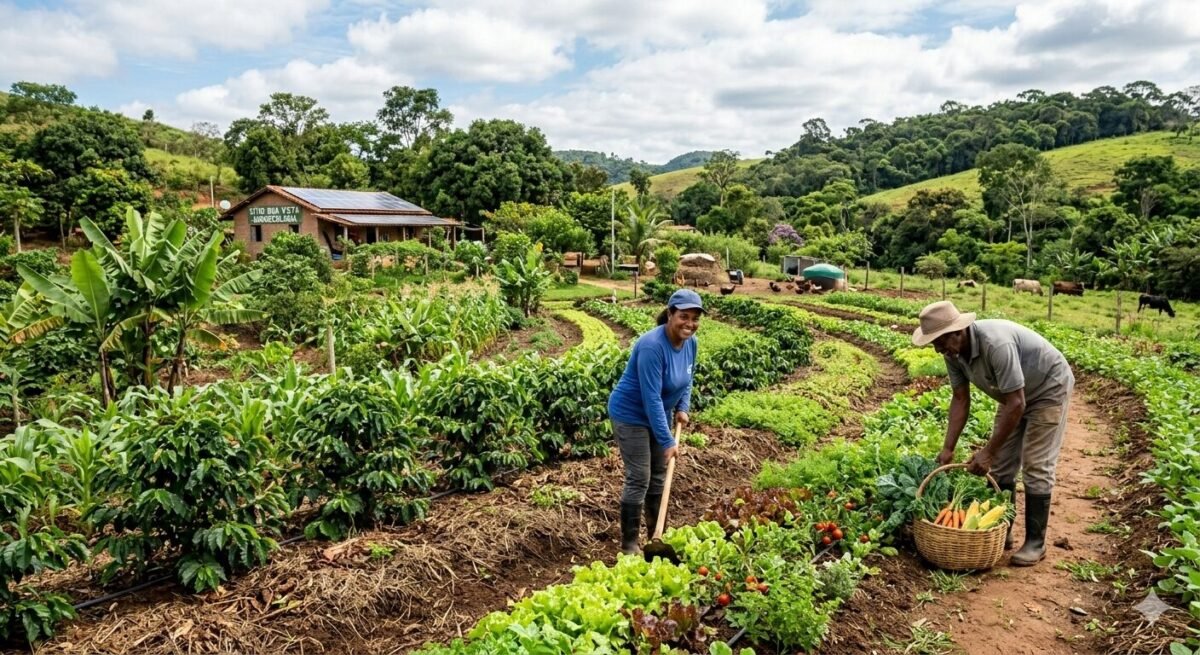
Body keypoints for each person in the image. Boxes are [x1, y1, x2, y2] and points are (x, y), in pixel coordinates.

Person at [912, 301, 1074, 566]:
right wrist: (948, 448)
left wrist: (987, 451)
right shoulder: (953, 354)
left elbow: (1018, 404)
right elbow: (960, 399)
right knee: (1000, 467)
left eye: (939, 341)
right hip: (1013, 397)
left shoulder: (996, 344)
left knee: (1036, 463)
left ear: (958, 332)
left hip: (1048, 388)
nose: (938, 348)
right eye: (934, 344)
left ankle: (1035, 542)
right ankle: (1002, 530)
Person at [607, 289, 703, 555]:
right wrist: (667, 439)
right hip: (631, 415)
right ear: (670, 314)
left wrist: (683, 407)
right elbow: (651, 399)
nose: (690, 324)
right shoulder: (652, 346)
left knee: (659, 476)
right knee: (639, 477)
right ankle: (629, 545)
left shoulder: (690, 343)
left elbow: (687, 378)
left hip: (658, 413)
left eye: (695, 318)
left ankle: (656, 536)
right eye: (684, 316)